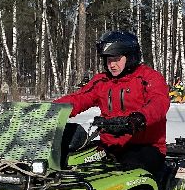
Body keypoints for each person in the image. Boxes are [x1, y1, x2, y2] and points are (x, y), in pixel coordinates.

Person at [54, 30, 170, 180]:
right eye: (108, 59)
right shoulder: (102, 81)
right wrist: (50, 111)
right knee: (71, 164)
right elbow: (78, 98)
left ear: (130, 57)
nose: (112, 65)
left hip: (145, 147)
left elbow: (159, 102)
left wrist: (140, 118)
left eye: (116, 59)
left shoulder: (148, 77)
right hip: (108, 147)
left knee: (127, 176)